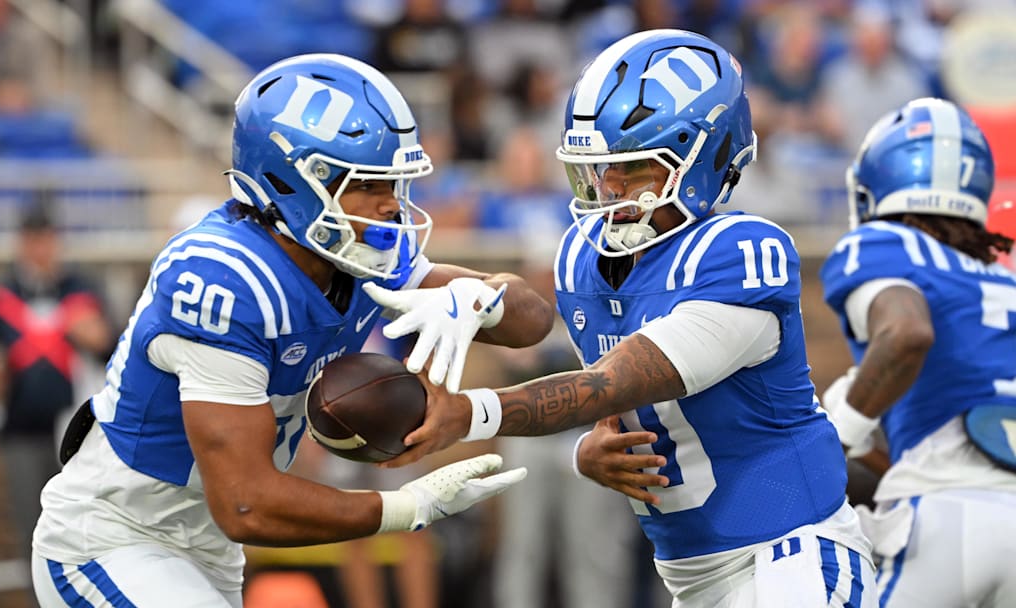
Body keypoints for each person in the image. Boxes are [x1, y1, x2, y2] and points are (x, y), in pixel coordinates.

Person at [376, 30, 878, 607]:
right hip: (694, 576)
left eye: (634, 170)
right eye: (600, 169)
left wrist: (470, 412)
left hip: (790, 556)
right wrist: (477, 296)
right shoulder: (583, 257)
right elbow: (593, 388)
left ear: (707, 160)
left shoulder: (739, 252)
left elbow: (611, 383)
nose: (609, 189)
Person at [30, 54, 553, 606]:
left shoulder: (357, 252)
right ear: (294, 181)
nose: (390, 209)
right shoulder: (223, 278)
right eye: (369, 184)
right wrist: (407, 507)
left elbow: (533, 321)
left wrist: (479, 300)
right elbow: (246, 503)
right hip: (116, 536)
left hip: (204, 548)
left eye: (394, 185)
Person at [819, 97, 1016, 607]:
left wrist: (836, 438)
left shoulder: (886, 244)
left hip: (945, 520)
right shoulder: (1003, 280)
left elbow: (906, 335)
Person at [0, 202, 114, 564]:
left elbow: (115, 352)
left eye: (46, 239)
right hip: (21, 428)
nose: (40, 248)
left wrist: (96, 335)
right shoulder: (0, 295)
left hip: (80, 432)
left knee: (85, 527)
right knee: (31, 531)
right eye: (32, 240)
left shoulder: (83, 288)